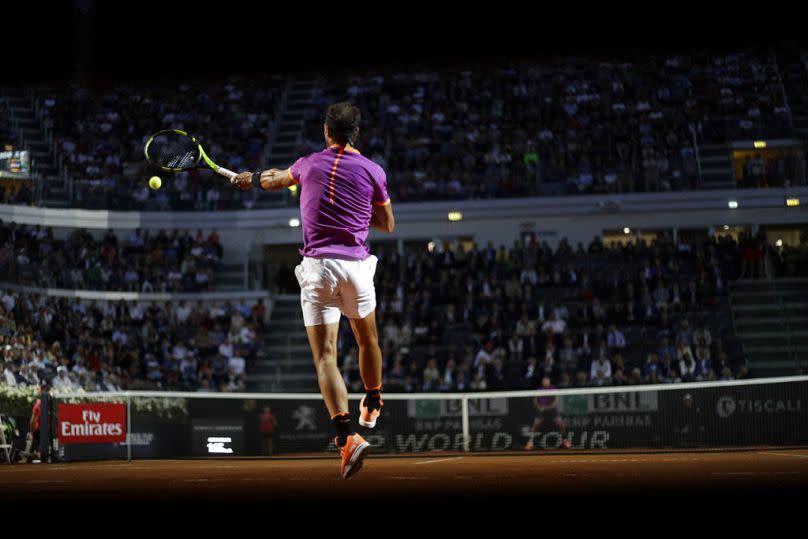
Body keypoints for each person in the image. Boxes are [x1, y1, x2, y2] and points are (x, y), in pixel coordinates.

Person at [233, 102, 395, 479]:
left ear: (326, 131)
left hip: (319, 268)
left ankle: (346, 437)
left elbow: (274, 178)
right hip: (356, 267)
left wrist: (251, 178)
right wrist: (356, 205)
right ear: (357, 133)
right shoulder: (373, 170)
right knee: (367, 340)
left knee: (326, 356)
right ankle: (372, 400)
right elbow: (387, 223)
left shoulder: (307, 164)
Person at [524, 376, 571, 450]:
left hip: (552, 410)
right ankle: (530, 442)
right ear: (542, 382)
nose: (545, 383)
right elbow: (535, 400)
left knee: (560, 423)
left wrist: (547, 407)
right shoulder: (539, 389)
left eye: (546, 381)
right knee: (535, 425)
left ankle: (565, 440)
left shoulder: (553, 388)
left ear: (549, 382)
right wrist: (538, 407)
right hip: (541, 410)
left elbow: (556, 401)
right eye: (544, 381)